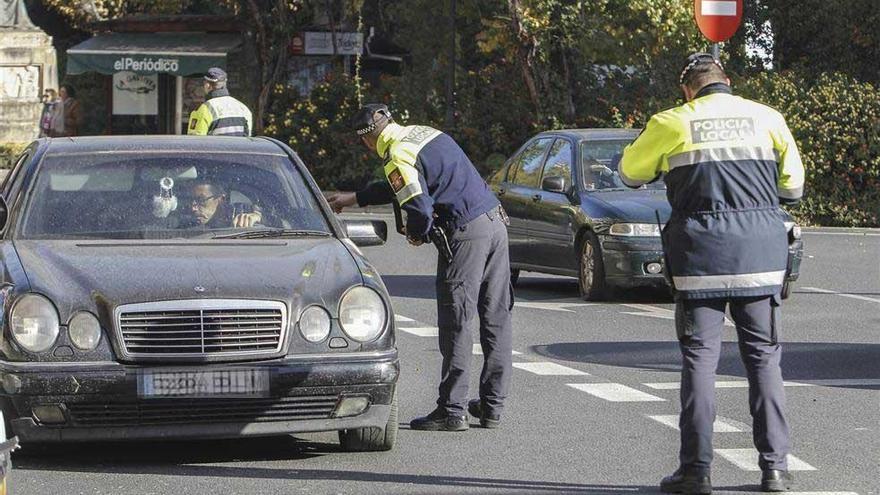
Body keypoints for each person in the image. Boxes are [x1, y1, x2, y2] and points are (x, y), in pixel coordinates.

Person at [619, 53, 805, 493]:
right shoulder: (766, 117)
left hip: (699, 256)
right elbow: (792, 188)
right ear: (727, 81)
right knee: (763, 358)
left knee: (700, 360)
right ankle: (774, 468)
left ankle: (696, 471)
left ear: (688, 90)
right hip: (760, 256)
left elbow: (630, 173)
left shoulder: (672, 121)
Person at [328, 104, 514, 431]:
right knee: (495, 316)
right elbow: (409, 184)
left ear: (367, 141)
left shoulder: (397, 155)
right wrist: (355, 197)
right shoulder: (422, 133)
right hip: (495, 222)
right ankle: (492, 406)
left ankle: (452, 411)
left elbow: (419, 208)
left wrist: (417, 234)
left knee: (457, 319)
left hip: (466, 234)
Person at [187, 68, 253, 137]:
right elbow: (248, 140)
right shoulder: (243, 108)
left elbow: (196, 142)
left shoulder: (205, 109)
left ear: (207, 85)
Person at [183, 180, 261, 229]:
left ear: (221, 199)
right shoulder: (185, 224)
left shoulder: (240, 210)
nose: (193, 208)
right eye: (190, 200)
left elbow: (268, 220)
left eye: (201, 200)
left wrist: (257, 217)